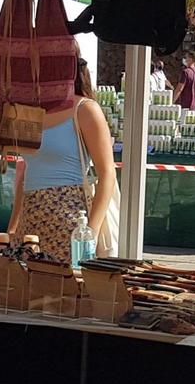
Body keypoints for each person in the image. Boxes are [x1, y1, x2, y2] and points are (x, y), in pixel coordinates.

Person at [9, 61, 117, 260]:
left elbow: (107, 173)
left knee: (69, 286)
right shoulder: (30, 110)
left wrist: (89, 234)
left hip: (71, 223)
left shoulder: (85, 110)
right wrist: (12, 228)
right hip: (30, 222)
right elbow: (26, 172)